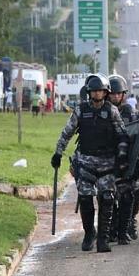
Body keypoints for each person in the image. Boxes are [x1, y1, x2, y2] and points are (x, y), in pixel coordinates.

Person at [51, 74, 129, 253]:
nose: (97, 94)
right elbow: (67, 132)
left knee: (107, 198)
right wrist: (58, 153)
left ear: (105, 92)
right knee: (85, 198)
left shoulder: (111, 111)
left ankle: (103, 238)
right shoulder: (80, 110)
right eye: (94, 91)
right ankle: (89, 233)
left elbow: (122, 135)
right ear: (89, 93)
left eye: (100, 91)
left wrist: (122, 156)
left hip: (107, 163)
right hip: (85, 162)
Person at [108, 74, 139, 245]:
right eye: (112, 93)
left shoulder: (132, 113)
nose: (115, 96)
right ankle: (112, 227)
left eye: (118, 93)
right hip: (106, 161)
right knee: (107, 196)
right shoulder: (103, 112)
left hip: (127, 162)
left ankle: (128, 222)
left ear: (123, 95)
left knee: (133, 193)